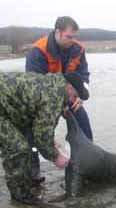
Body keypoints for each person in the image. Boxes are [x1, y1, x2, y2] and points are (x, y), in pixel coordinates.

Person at [0, 71, 89, 205]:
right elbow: (42, 138)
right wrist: (56, 157)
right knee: (18, 149)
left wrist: (50, 140)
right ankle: (20, 197)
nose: (72, 101)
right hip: (3, 110)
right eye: (74, 96)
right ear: (69, 87)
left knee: (22, 144)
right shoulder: (54, 97)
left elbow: (36, 120)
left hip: (7, 108)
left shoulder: (53, 82)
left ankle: (24, 182)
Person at [25, 16, 92, 185]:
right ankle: (33, 169)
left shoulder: (78, 49)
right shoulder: (38, 51)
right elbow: (33, 88)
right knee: (34, 132)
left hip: (69, 96)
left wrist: (79, 97)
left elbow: (84, 76)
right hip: (43, 100)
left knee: (83, 121)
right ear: (57, 32)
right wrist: (53, 110)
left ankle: (88, 160)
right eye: (69, 36)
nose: (73, 40)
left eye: (75, 36)